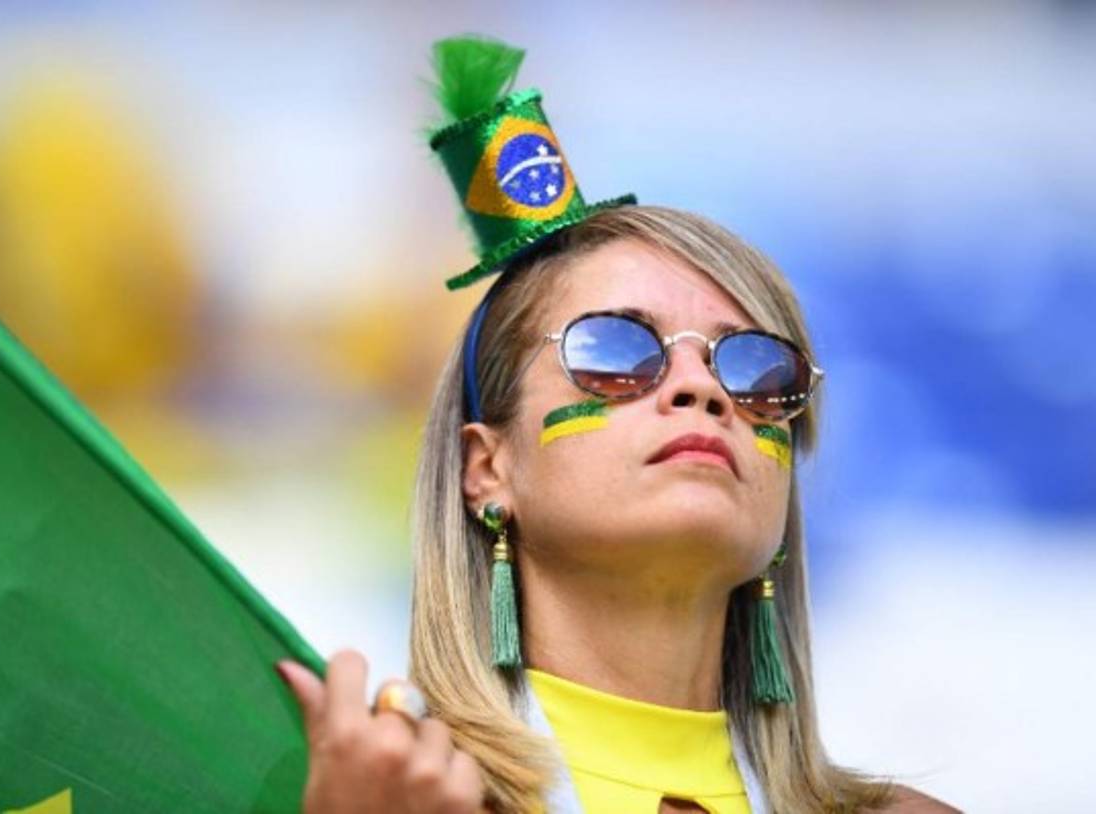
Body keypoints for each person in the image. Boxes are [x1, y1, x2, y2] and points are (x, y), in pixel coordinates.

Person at [276, 37, 960, 814]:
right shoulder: (371, 791)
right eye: (615, 349)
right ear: (485, 469)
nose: (702, 386)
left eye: (759, 370)